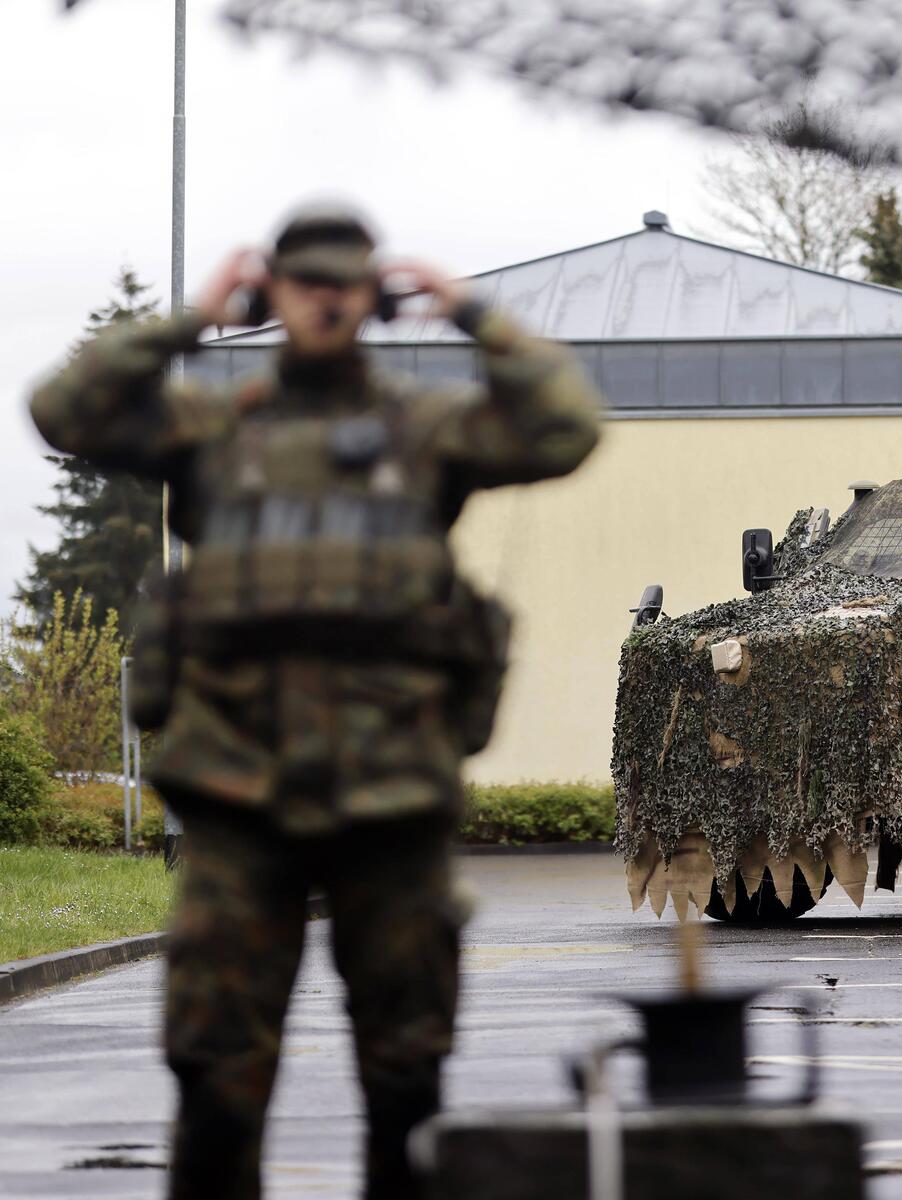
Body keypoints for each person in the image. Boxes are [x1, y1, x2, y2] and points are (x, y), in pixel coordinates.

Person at [28, 204, 602, 1199]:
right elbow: (60, 411)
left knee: (405, 1076)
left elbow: (566, 425)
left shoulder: (423, 433)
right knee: (216, 1075)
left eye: (346, 282)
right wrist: (192, 319)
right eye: (305, 282)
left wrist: (472, 313)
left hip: (392, 799)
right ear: (272, 294)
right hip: (235, 795)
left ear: (374, 296)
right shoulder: (212, 428)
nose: (327, 299)